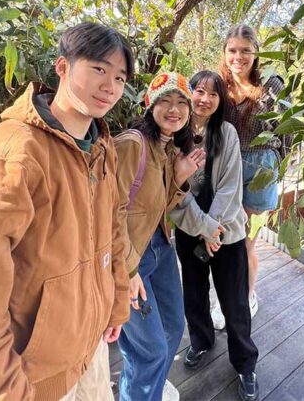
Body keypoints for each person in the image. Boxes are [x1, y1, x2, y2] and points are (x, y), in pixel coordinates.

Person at [0, 23, 133, 400]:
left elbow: (112, 228)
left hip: (89, 352)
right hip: (31, 378)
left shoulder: (100, 146)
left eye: (119, 76)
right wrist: (3, 390)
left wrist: (117, 303)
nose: (110, 86)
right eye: (98, 68)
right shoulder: (11, 153)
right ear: (62, 67)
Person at [116, 72, 205, 401]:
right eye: (165, 100)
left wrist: (181, 178)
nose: (174, 108)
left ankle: (146, 386)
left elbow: (157, 207)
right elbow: (106, 212)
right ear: (149, 105)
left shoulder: (168, 150)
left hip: (159, 248)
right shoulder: (130, 145)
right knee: (150, 348)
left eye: (182, 102)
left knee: (172, 327)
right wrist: (126, 270)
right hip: (130, 257)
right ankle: (140, 391)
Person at [170, 71, 259, 399]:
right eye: (199, 91)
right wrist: (203, 227)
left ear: (221, 100)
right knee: (193, 293)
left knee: (234, 302)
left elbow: (229, 189)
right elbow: (175, 190)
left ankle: (245, 363)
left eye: (213, 94)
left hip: (227, 233)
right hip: (191, 230)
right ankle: (201, 342)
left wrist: (214, 227)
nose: (204, 99)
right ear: (189, 93)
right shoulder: (176, 133)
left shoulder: (227, 133)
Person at [220, 25, 286, 318]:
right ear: (224, 53)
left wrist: (278, 162)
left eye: (245, 50)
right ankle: (222, 298)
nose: (239, 56)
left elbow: (284, 129)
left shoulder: (272, 84)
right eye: (232, 50)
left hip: (260, 168)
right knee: (224, 238)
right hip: (228, 167)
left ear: (256, 53)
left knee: (245, 241)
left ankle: (246, 296)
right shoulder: (218, 86)